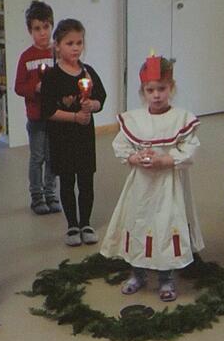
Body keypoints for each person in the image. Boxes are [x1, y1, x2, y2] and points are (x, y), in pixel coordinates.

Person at [100, 55, 203, 302]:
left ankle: (166, 277)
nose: (156, 95)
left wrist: (166, 160)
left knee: (166, 225)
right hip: (142, 186)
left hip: (168, 186)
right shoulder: (135, 119)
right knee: (139, 223)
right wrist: (135, 158)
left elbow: (190, 149)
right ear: (143, 91)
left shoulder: (181, 118)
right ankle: (138, 272)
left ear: (172, 88)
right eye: (150, 90)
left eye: (162, 89)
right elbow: (121, 145)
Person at [41, 18, 106, 246]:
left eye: (79, 42)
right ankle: (72, 225)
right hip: (62, 139)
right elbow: (48, 110)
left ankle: (86, 222)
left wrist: (92, 105)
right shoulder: (52, 76)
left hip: (84, 139)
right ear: (57, 45)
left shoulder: (88, 73)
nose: (76, 47)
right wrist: (75, 117)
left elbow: (101, 99)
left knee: (86, 180)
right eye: (70, 43)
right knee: (67, 182)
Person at [14, 1, 61, 215]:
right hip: (36, 117)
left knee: (53, 156)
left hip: (56, 116)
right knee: (37, 157)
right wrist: (36, 88)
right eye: (37, 29)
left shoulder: (58, 54)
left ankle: (51, 193)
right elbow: (19, 87)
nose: (42, 33)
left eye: (46, 27)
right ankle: (36, 196)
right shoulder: (26, 57)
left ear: (52, 26)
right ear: (30, 31)